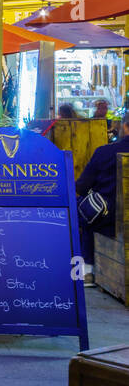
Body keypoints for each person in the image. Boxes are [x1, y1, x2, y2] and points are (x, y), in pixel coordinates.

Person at [74, 117, 129, 283]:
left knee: (87, 214)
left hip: (109, 217)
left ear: (125, 127)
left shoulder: (104, 152)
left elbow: (82, 186)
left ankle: (86, 271)